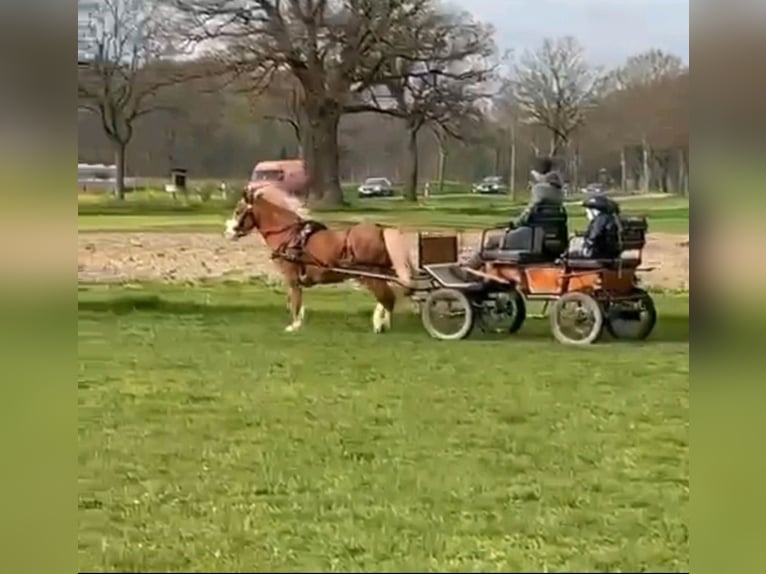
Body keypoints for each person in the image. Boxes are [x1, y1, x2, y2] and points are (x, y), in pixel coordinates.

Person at [461, 157, 566, 271]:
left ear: (538, 173)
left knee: (492, 241)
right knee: (499, 240)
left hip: (533, 238)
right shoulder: (559, 191)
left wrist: (513, 225)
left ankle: (468, 270)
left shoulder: (539, 189)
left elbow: (528, 213)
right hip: (551, 238)